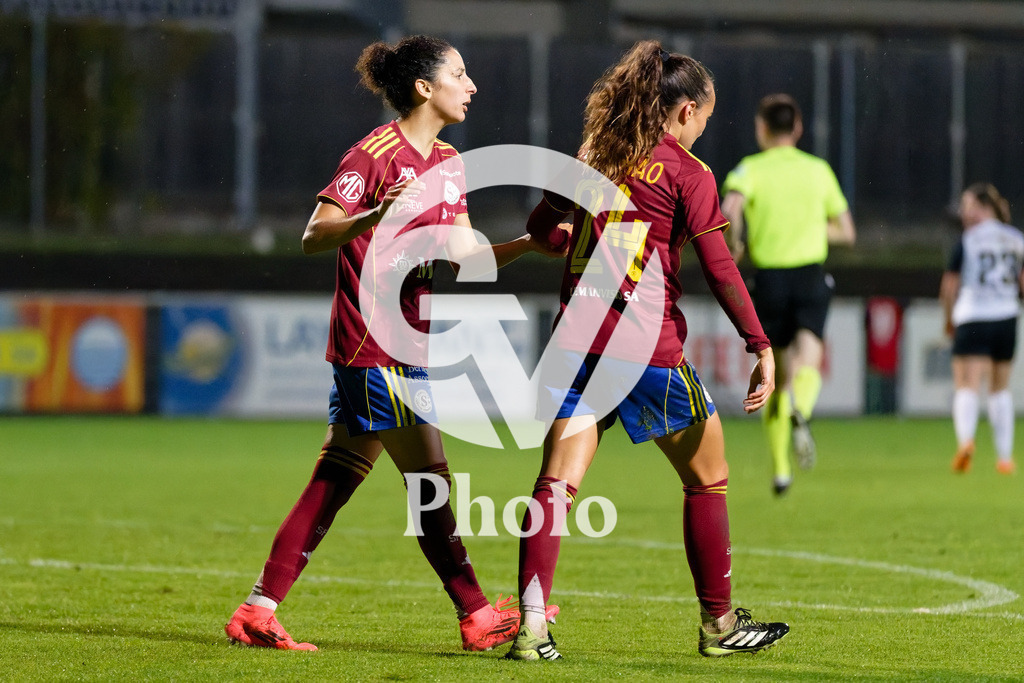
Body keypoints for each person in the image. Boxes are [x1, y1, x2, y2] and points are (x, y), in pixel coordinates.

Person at [224, 35, 559, 652]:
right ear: (424, 88)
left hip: (403, 346)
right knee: (431, 479)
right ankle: (476, 614)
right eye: (461, 73)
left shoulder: (450, 163)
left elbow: (466, 257)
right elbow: (313, 234)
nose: (473, 85)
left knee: (337, 476)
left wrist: (530, 247)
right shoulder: (373, 155)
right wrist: (372, 217)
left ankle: (257, 608)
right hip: (373, 347)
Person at [506, 41, 789, 661]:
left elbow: (544, 225)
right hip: (644, 348)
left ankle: (531, 627)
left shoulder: (594, 155)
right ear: (685, 111)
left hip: (576, 344)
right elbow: (720, 267)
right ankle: (718, 626)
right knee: (707, 477)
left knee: (556, 482)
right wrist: (760, 345)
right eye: (705, 119)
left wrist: (570, 238)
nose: (702, 131)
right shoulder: (689, 173)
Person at [720, 93, 856, 495]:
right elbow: (847, 232)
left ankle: (781, 469)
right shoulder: (818, 170)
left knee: (773, 374)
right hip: (811, 275)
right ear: (797, 128)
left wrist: (737, 244)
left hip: (770, 280)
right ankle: (804, 408)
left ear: (762, 128)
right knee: (810, 353)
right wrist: (813, 230)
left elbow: (730, 207)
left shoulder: (750, 169)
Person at [940, 182, 1024, 475]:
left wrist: (949, 319)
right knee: (1000, 389)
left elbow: (949, 286)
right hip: (1007, 317)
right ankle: (1004, 458)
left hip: (974, 316)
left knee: (967, 384)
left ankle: (966, 442)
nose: (964, 212)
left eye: (968, 205)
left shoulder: (969, 239)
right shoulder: (1016, 239)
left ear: (984, 208)